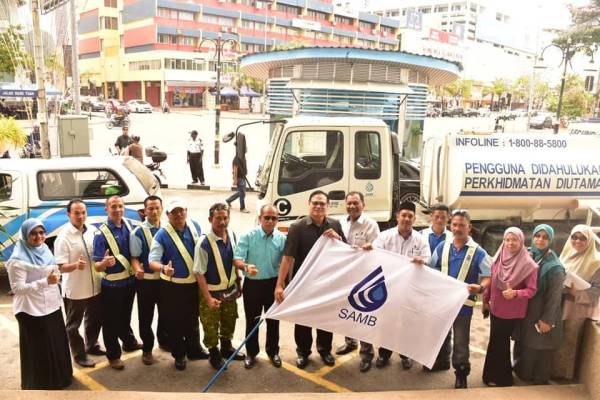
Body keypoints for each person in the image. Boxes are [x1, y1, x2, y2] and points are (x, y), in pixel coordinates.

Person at [275, 190, 346, 369]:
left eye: (322, 203)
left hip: (327, 283)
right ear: (309, 205)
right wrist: (280, 284)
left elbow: (346, 251)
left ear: (327, 206)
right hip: (303, 283)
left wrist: (337, 238)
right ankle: (303, 353)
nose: (318, 206)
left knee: (325, 319)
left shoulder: (335, 224)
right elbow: (288, 257)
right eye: (315, 203)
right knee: (303, 320)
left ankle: (324, 350)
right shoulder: (297, 227)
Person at [7, 219, 73, 389]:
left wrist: (57, 277)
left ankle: (61, 378)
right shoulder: (17, 260)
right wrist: (45, 282)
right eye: (34, 233)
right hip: (31, 310)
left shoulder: (45, 250)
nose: (39, 237)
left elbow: (53, 271)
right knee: (39, 349)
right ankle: (41, 384)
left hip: (52, 306)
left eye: (42, 232)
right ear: (25, 235)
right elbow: (18, 289)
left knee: (56, 344)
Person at [428, 209, 491, 388]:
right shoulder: (442, 247)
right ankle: (441, 362)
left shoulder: (478, 251)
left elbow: (489, 275)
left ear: (469, 227)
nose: (457, 228)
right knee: (440, 335)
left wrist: (480, 287)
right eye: (454, 224)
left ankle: (461, 373)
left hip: (463, 306)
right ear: (450, 225)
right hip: (444, 303)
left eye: (461, 225)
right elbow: (431, 267)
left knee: (461, 342)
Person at [149, 198, 207, 371]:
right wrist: (163, 268)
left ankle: (194, 349)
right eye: (174, 212)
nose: (179, 214)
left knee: (192, 318)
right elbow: (152, 261)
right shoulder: (161, 235)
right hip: (172, 287)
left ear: (186, 211)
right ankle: (179, 355)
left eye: (181, 210)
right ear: (167, 215)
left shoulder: (195, 226)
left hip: (192, 284)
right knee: (174, 322)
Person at [372, 201, 430, 371]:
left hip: (410, 289)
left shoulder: (420, 240)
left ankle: (406, 355)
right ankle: (384, 354)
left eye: (410, 216)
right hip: (388, 288)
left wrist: (423, 261)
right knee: (387, 322)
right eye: (403, 215)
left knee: (408, 324)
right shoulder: (385, 236)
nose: (406, 219)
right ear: (397, 216)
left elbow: (429, 258)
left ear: (414, 218)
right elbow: (375, 254)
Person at [482, 227, 538, 387]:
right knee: (495, 341)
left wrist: (516, 293)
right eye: (507, 239)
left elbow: (532, 290)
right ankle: (490, 375)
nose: (510, 243)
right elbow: (492, 280)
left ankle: (503, 378)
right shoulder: (499, 256)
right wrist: (486, 300)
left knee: (501, 342)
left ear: (521, 242)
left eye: (514, 240)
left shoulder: (528, 264)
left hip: (511, 310)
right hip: (495, 307)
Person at [194, 202, 246, 370]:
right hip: (212, 292)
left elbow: (233, 260)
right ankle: (214, 352)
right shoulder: (203, 243)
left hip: (230, 289)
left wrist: (238, 282)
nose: (222, 222)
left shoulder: (231, 235)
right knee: (210, 324)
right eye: (218, 218)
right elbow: (199, 273)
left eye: (225, 218)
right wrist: (208, 298)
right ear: (210, 219)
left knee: (229, 319)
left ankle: (226, 347)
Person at [93, 195, 142, 370]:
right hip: (112, 286)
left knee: (125, 316)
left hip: (129, 282)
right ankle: (113, 355)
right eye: (113, 206)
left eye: (120, 206)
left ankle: (128, 342)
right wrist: (104, 263)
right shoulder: (101, 234)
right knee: (111, 321)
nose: (117, 210)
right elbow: (97, 266)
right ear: (107, 209)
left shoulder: (128, 226)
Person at [234, 204, 286, 369]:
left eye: (274, 218)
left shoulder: (281, 239)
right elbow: (237, 259)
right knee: (252, 321)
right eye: (267, 218)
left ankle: (273, 352)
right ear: (260, 218)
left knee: (273, 321)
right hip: (253, 285)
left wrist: (281, 285)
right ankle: (251, 353)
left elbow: (286, 262)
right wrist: (245, 267)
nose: (270, 221)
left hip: (273, 284)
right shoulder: (248, 236)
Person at [54, 199, 104, 368]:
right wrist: (75, 265)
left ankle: (92, 345)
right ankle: (79, 354)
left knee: (95, 318)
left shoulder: (91, 231)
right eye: (76, 213)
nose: (81, 216)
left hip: (94, 285)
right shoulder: (63, 237)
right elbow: (60, 267)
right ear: (68, 214)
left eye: (83, 212)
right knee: (73, 326)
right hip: (75, 289)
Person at [513, 224, 565, 384]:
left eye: (545, 237)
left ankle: (538, 379)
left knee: (539, 347)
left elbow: (555, 297)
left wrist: (548, 320)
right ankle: (522, 372)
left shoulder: (555, 266)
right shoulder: (529, 254)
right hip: (527, 311)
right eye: (537, 236)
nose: (540, 240)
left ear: (551, 240)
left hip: (542, 313)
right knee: (524, 343)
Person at [334, 191, 380, 372]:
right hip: (345, 275)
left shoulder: (371, 224)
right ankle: (350, 342)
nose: (352, 206)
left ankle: (367, 353)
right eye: (349, 203)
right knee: (346, 312)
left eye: (356, 203)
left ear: (363, 205)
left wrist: (370, 248)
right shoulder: (340, 223)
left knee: (362, 313)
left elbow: (378, 248)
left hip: (363, 277)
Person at [552, 224, 600, 379]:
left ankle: (563, 375)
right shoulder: (566, 255)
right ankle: (552, 371)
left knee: (569, 341)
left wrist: (576, 293)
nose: (577, 241)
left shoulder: (596, 263)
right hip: (561, 303)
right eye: (574, 237)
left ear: (590, 240)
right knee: (557, 338)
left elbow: (595, 292)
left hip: (577, 308)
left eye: (582, 238)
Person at [130, 195, 168, 365]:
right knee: (146, 316)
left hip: (164, 280)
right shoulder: (138, 232)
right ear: (144, 211)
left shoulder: (168, 229)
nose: (154, 211)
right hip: (145, 281)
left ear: (161, 209)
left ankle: (164, 340)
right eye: (150, 208)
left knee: (165, 313)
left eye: (157, 208)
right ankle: (147, 349)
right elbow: (134, 257)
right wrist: (137, 268)